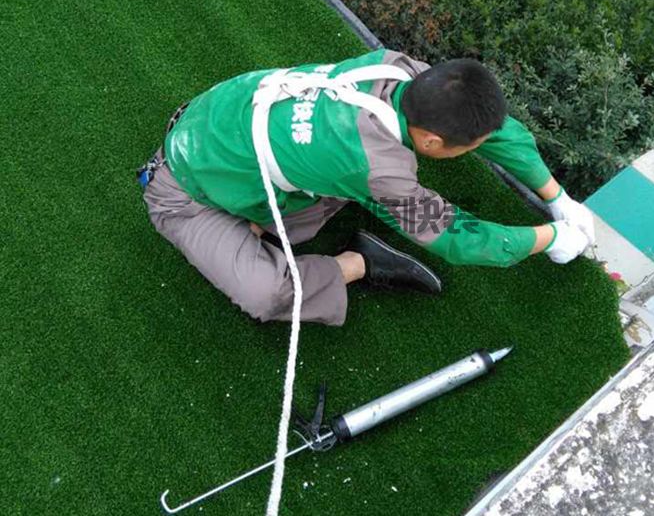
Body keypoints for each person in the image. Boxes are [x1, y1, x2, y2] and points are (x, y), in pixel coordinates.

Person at [139, 49, 594, 326]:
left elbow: (502, 132)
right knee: (266, 295)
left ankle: (265, 227)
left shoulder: (398, 68)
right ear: (433, 141)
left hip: (231, 131)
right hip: (185, 190)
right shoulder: (378, 170)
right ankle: (360, 262)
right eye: (468, 146)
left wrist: (558, 199)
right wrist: (555, 238)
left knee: (329, 201)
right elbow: (458, 237)